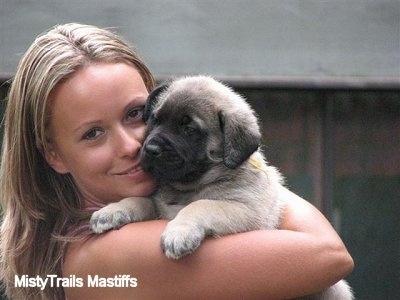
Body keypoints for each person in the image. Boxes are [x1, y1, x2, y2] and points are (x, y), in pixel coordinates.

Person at [0, 23, 353, 299]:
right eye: (93, 133)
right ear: (53, 154)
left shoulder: (82, 233)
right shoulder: (109, 255)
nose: (134, 145)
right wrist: (249, 176)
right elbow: (327, 254)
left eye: (137, 113)